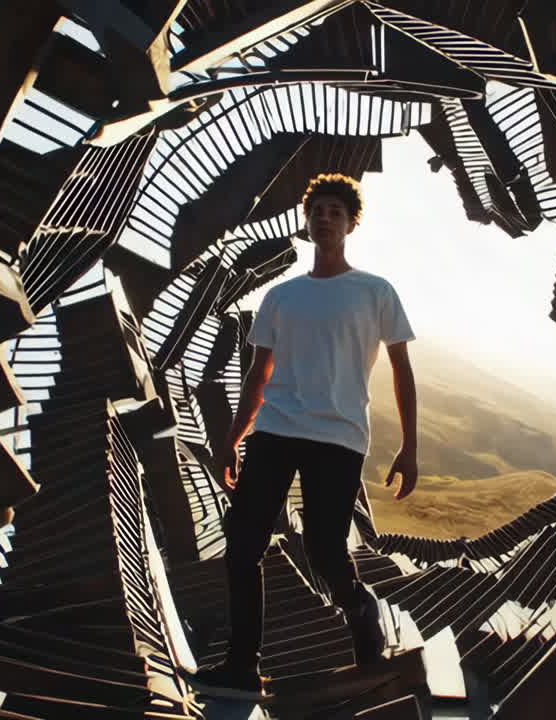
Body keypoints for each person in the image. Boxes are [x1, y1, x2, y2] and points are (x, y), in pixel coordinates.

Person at [189, 173, 419, 700]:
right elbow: (257, 376)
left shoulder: (376, 291)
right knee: (242, 544)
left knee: (324, 545)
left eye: (335, 212)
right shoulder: (281, 296)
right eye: (317, 210)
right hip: (275, 430)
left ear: (352, 223)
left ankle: (361, 610)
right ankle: (242, 666)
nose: (324, 219)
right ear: (307, 219)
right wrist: (231, 439)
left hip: (338, 436)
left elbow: (402, 371)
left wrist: (410, 446)